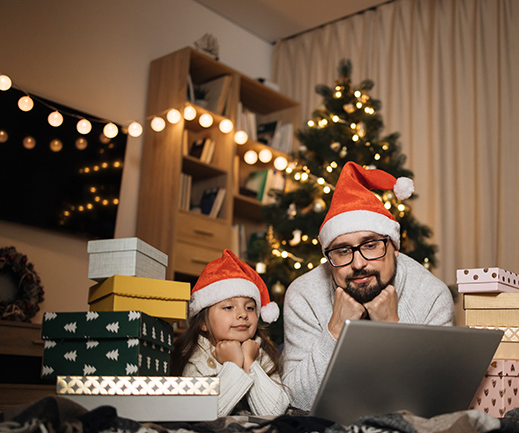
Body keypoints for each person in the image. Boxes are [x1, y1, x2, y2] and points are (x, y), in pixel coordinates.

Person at [282, 161, 455, 411]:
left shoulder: (431, 295)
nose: (359, 263)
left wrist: (394, 329)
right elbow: (296, 401)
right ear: (329, 259)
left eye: (371, 245)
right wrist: (335, 330)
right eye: (343, 251)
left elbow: (438, 403)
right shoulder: (304, 295)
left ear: (394, 248)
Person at [172, 249, 289, 417]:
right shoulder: (195, 357)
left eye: (249, 307)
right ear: (204, 322)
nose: (243, 314)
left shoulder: (260, 353)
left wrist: (249, 362)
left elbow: (274, 412)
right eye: (228, 307)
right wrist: (234, 365)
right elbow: (200, 413)